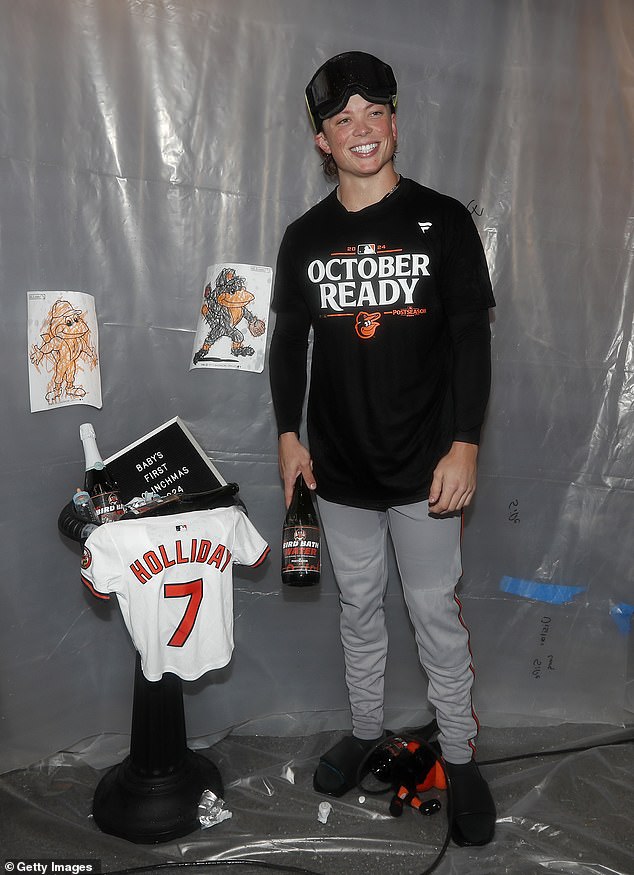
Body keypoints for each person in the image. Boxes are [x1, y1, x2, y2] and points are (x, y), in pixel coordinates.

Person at [269, 51, 496, 846]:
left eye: (374, 114)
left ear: (394, 124)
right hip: (339, 470)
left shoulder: (443, 220)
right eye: (342, 120)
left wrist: (465, 443)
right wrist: (289, 437)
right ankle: (367, 727)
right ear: (324, 142)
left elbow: (471, 340)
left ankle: (461, 757)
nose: (361, 130)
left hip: (428, 465)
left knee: (436, 610)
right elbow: (286, 344)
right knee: (359, 608)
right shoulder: (305, 236)